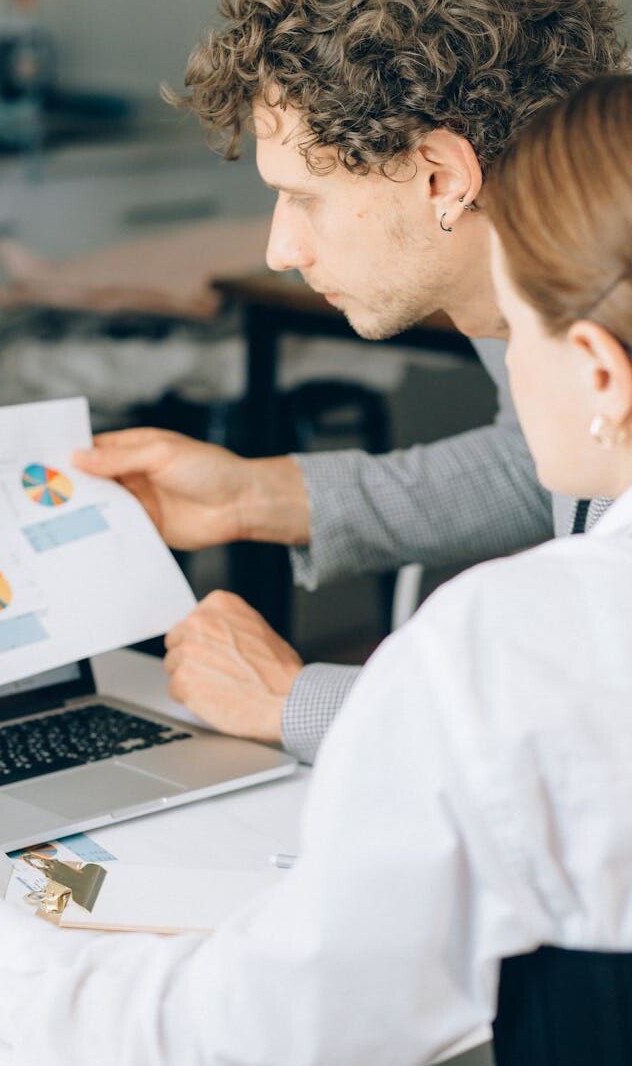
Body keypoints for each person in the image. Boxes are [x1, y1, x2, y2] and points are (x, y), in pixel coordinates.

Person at [0, 70, 632, 1065]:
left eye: (513, 333)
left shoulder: (508, 644)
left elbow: (248, 1031)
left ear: (599, 370)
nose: (504, 381)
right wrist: (254, 497)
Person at [71, 0, 626, 764]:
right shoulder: (548, 285)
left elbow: (586, 745)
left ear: (443, 181)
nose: (280, 248)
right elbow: (562, 470)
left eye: (305, 197)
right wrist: (251, 496)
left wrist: (300, 701)